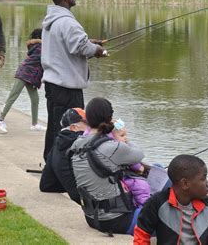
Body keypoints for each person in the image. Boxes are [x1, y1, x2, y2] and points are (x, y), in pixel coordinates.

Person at [41, 0, 106, 161]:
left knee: (54, 127)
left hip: (54, 86)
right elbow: (81, 46)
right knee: (71, 129)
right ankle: (61, 168)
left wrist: (91, 45)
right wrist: (97, 50)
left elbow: (69, 47)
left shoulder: (52, 21)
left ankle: (50, 163)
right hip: (67, 89)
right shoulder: (68, 22)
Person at [70, 97, 144, 236]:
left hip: (92, 217)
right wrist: (118, 136)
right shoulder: (111, 147)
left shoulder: (78, 144)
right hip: (118, 219)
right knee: (165, 212)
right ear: (109, 119)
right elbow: (139, 155)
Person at [134, 154, 208, 244]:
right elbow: (142, 235)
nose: (207, 183)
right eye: (203, 178)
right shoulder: (156, 203)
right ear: (185, 184)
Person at [0, 28, 44, 133]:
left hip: (31, 77)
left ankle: (34, 124)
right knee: (13, 96)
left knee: (35, 99)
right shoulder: (40, 48)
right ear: (41, 37)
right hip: (24, 73)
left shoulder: (36, 46)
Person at [40, 108, 88, 204]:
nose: (90, 126)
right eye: (87, 123)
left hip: (63, 188)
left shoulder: (61, 139)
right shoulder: (79, 141)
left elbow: (46, 185)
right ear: (74, 127)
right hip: (83, 198)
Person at [112, 118, 150, 207]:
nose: (125, 138)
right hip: (125, 178)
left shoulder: (121, 147)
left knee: (156, 167)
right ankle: (143, 207)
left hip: (126, 175)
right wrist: (141, 168)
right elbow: (137, 167)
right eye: (122, 136)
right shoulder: (119, 150)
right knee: (141, 186)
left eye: (125, 135)